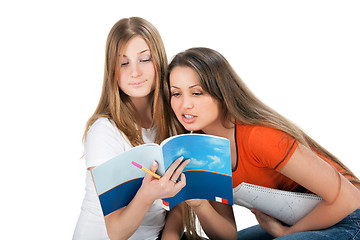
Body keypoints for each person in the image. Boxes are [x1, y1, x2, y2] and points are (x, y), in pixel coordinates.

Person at [164, 47, 360, 239]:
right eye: (176, 94)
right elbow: (227, 236)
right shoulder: (202, 146)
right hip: (296, 221)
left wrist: (287, 233)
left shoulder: (257, 136)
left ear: (222, 93)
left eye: (197, 93)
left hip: (349, 217)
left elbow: (349, 198)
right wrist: (199, 204)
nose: (184, 105)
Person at [72, 17, 194, 240]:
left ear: (158, 60)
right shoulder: (104, 131)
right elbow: (117, 232)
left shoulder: (176, 120)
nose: (135, 72)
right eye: (123, 63)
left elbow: (180, 202)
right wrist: (147, 195)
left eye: (145, 59)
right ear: (112, 71)